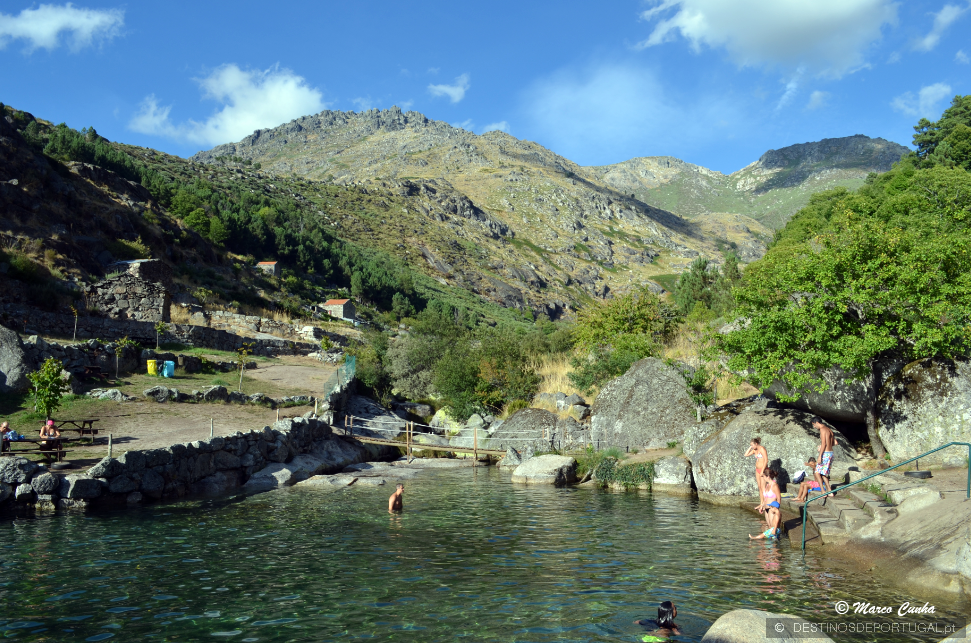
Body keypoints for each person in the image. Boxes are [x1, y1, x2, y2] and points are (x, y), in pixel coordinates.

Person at [750, 469, 782, 540]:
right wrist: (762, 506)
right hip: (766, 508)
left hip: (772, 508)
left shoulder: (775, 486)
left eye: (764, 476)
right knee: (769, 526)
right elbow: (765, 498)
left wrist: (776, 508)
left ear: (768, 476)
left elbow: (779, 498)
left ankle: (774, 542)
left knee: (773, 527)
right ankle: (773, 542)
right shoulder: (767, 485)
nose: (763, 478)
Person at [812, 416, 836, 498]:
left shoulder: (822, 430)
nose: (814, 427)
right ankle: (829, 491)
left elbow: (824, 443)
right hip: (830, 453)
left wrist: (820, 455)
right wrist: (824, 446)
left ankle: (823, 491)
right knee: (823, 473)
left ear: (817, 422)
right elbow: (835, 442)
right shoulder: (829, 430)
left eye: (814, 425)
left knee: (817, 472)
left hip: (825, 454)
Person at [744, 437, 768, 510]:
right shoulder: (754, 450)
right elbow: (746, 455)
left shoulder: (762, 449)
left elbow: (766, 460)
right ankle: (761, 503)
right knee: (759, 487)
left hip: (763, 470)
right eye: (751, 445)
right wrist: (750, 447)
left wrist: (762, 471)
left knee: (763, 487)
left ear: (756, 444)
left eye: (752, 445)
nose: (752, 446)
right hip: (757, 470)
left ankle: (765, 504)